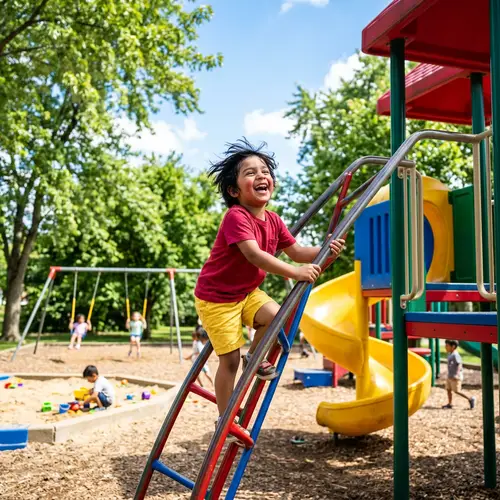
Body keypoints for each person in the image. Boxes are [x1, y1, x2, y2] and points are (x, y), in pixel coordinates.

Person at [194, 139, 345, 423]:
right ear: (234, 190)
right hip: (217, 298)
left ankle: (255, 355)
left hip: (247, 292)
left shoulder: (274, 220)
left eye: (264, 170)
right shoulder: (235, 217)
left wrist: (327, 251)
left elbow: (298, 252)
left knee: (278, 318)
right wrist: (295, 272)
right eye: (250, 173)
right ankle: (225, 416)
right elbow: (255, 255)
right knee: (229, 360)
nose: (261, 175)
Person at [442, 339, 476, 409]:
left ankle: (470, 398)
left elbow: (459, 364)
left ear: (453, 346)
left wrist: (456, 374)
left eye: (447, 345)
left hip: (455, 377)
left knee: (457, 391)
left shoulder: (455, 355)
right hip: (450, 376)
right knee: (448, 389)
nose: (445, 347)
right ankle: (450, 403)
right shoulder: (450, 354)